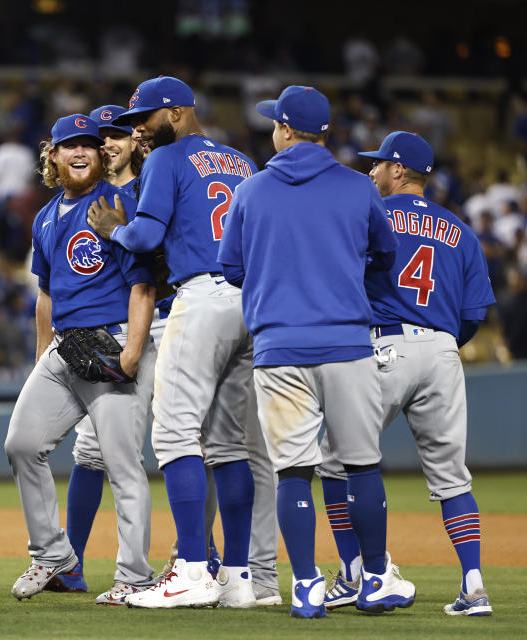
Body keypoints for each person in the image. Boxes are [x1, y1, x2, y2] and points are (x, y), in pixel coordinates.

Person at [217, 85, 414, 618]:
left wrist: (277, 281)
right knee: (362, 466)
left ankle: (306, 583)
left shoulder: (251, 192)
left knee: (294, 472)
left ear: (283, 129)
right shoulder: (357, 188)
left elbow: (231, 268)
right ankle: (375, 578)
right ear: (324, 133)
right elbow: (385, 256)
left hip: (279, 348)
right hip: (348, 344)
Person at [88, 76, 261, 609]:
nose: (139, 128)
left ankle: (190, 568)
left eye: (147, 118)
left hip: (203, 296)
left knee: (174, 436)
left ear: (180, 113)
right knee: (230, 446)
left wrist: (114, 229)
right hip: (251, 301)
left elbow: (144, 237)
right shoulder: (243, 162)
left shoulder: (168, 158)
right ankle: (238, 578)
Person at [316, 131, 495, 617]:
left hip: (384, 344)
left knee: (335, 461)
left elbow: (339, 275)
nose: (371, 171)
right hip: (442, 350)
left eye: (378, 164)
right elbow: (474, 312)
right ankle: (474, 587)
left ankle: (354, 572)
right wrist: (439, 344)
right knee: (453, 479)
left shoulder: (373, 215)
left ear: (398, 170)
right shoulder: (460, 228)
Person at [6, 114, 157, 604]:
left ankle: (134, 576)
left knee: (121, 464)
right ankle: (54, 555)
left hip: (112, 343)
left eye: (89, 145)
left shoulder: (118, 203)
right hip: (63, 349)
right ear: (52, 155)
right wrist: (40, 356)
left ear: (100, 155)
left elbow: (143, 284)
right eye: (69, 145)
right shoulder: (46, 216)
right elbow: (45, 295)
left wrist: (133, 351)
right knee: (22, 444)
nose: (80, 152)